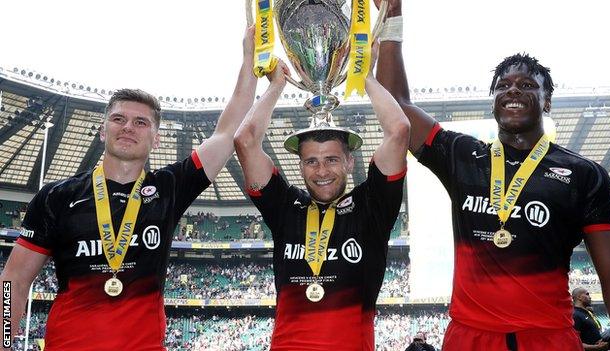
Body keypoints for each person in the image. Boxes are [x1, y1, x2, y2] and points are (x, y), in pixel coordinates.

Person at [374, 0, 610, 350]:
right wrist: (392, 17)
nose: (513, 90)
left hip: (548, 338)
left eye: (527, 85)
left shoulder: (584, 175)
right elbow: (397, 108)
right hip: (470, 337)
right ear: (493, 100)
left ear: (547, 101)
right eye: (503, 85)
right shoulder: (463, 156)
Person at [0, 27, 258, 350]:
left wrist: (250, 59)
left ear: (156, 137)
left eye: (141, 122)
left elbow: (228, 129)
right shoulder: (57, 197)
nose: (128, 128)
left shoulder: (168, 189)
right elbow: (13, 281)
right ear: (102, 131)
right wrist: (4, 342)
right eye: (119, 119)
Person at [234, 50, 410, 349]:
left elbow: (399, 130)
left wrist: (364, 75)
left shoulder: (371, 207)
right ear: (299, 166)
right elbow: (245, 140)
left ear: (349, 162)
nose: (322, 171)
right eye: (311, 161)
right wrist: (276, 85)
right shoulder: (286, 208)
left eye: (331, 159)